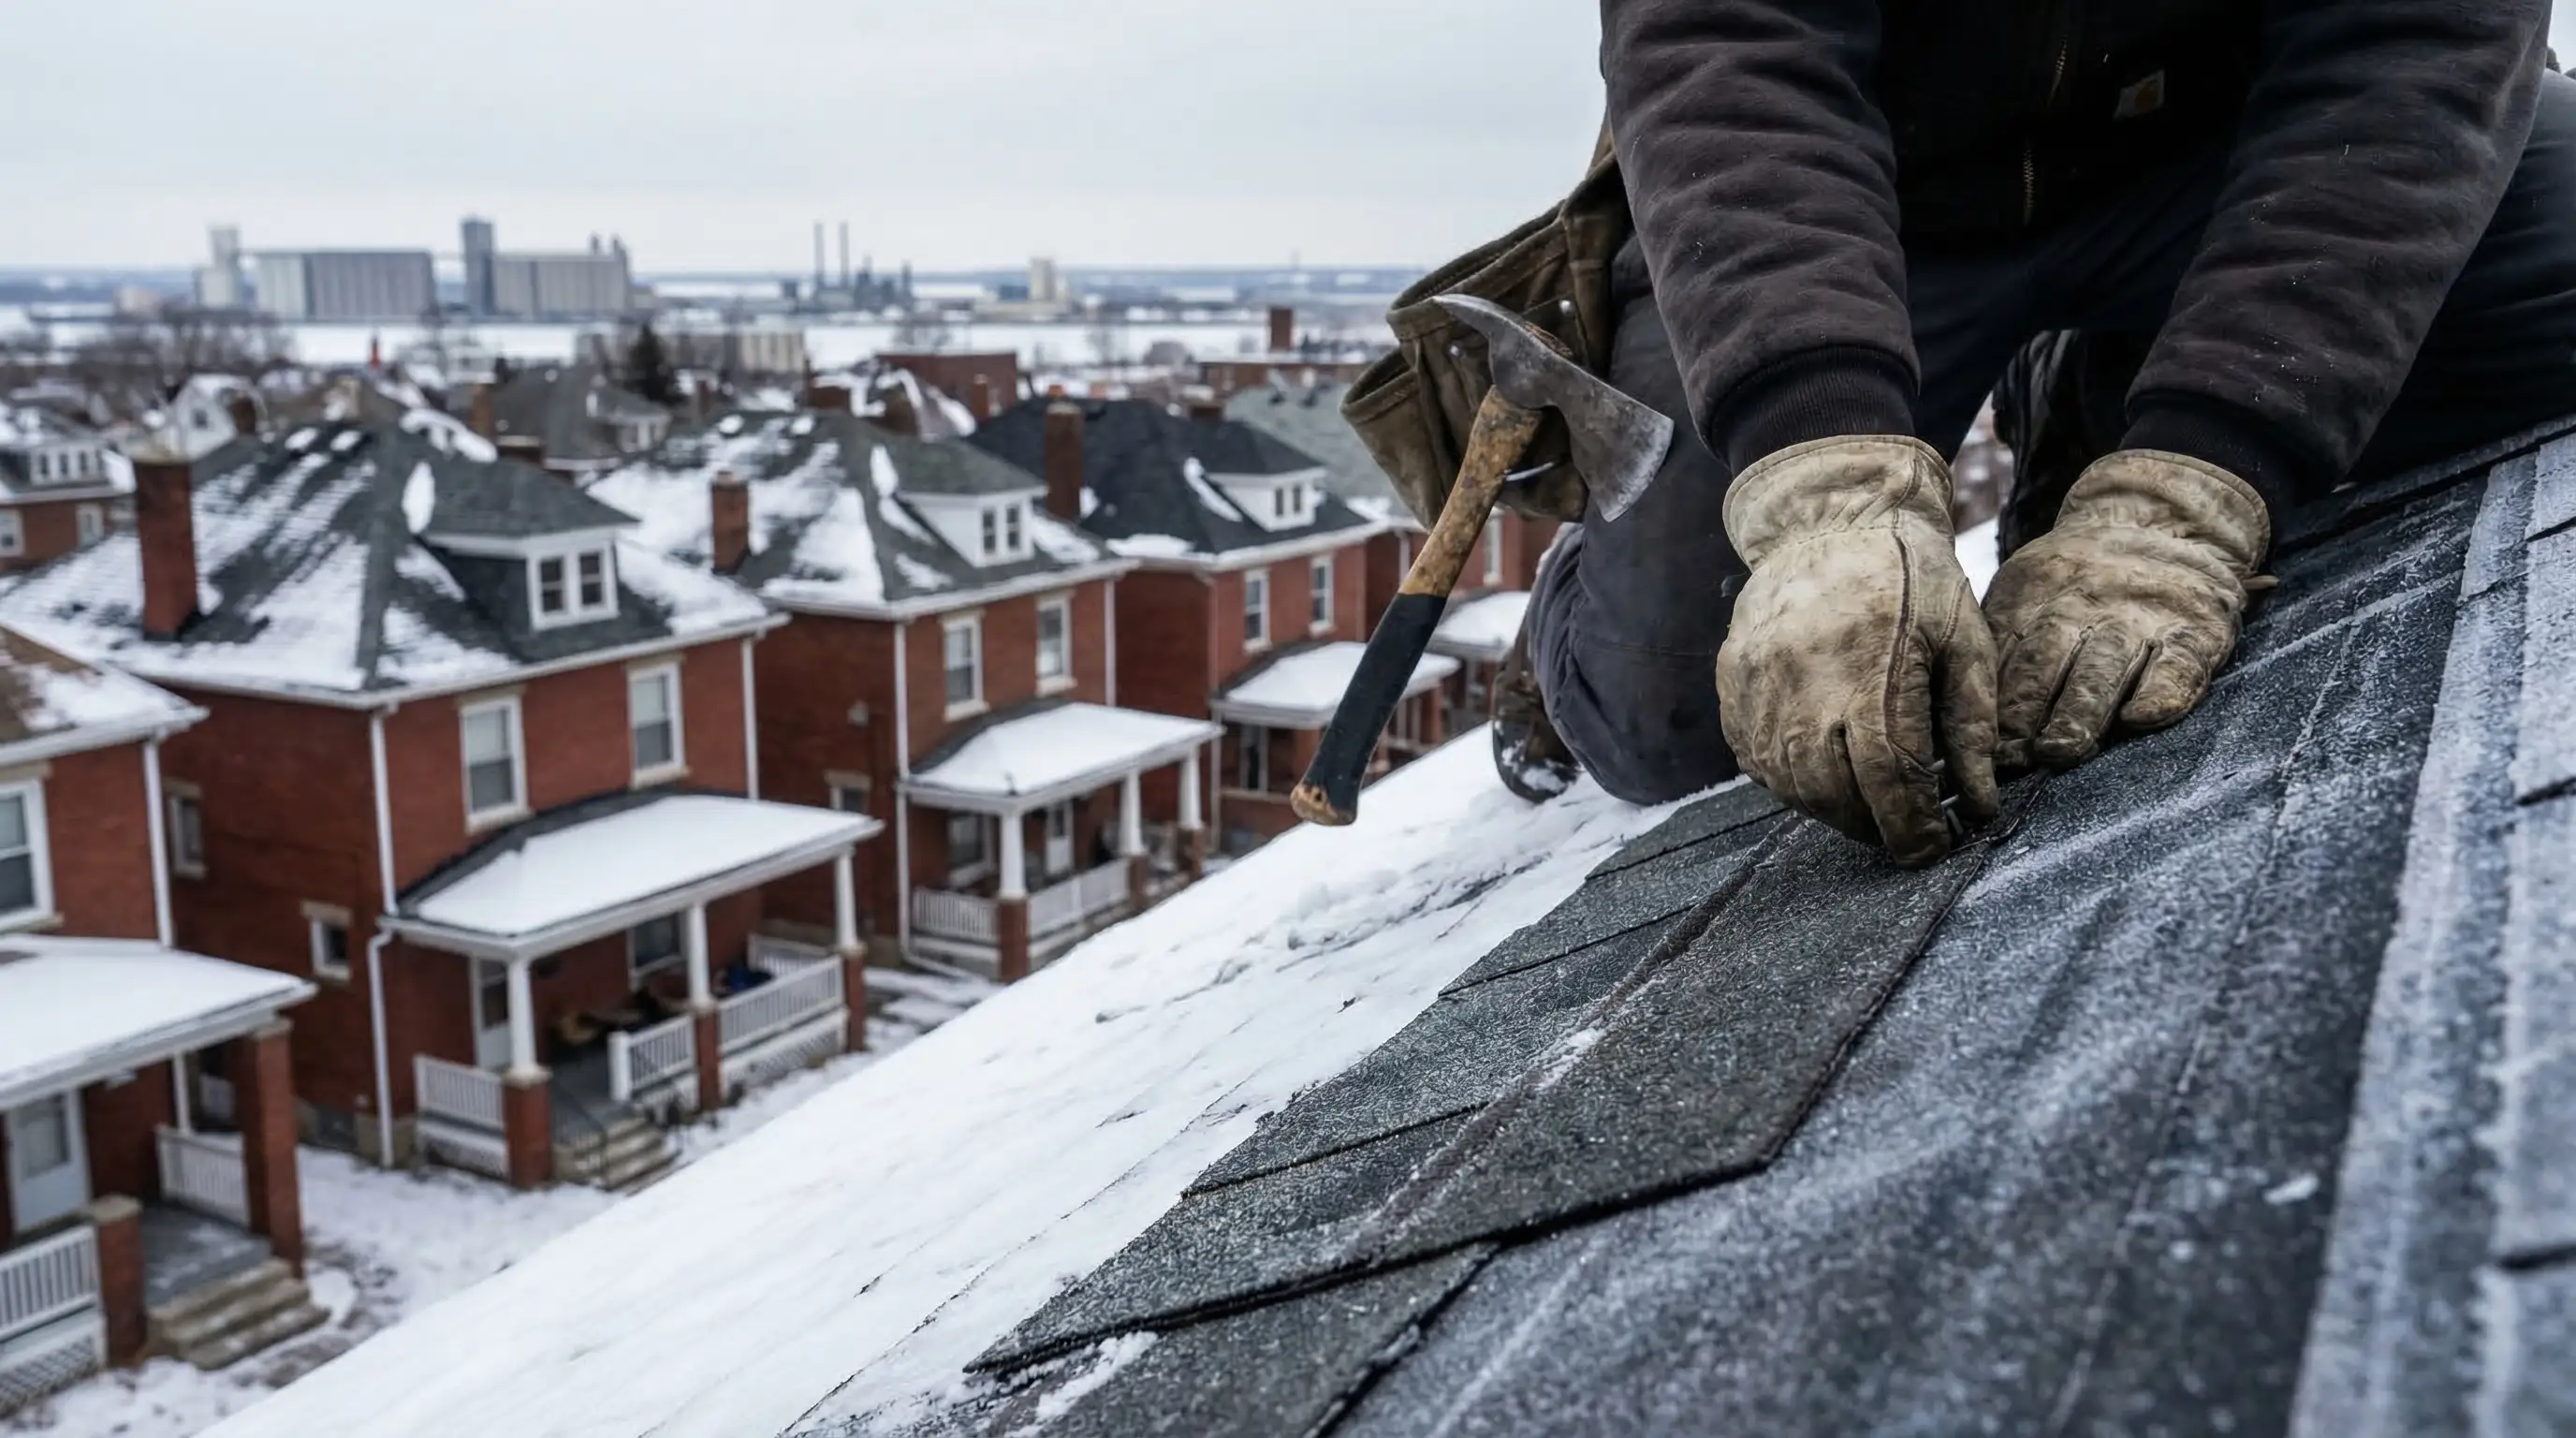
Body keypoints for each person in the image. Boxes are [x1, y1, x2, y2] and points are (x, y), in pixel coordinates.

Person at [1510, 2, 2571, 867]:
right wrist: (1822, 493)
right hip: (1846, 206)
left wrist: (2196, 479)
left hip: (2211, 167)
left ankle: (2117, 390)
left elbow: (2420, 51)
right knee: (1679, 718)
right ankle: (1579, 598)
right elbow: (1730, 47)